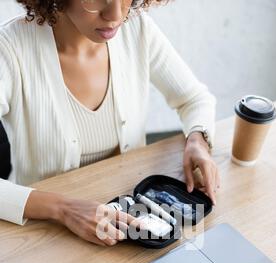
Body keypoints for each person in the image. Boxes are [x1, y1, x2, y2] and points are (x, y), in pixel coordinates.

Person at [0, 0, 220, 246]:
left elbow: (194, 98)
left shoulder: (137, 30)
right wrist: (63, 209)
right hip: (46, 234)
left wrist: (198, 140)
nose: (116, 15)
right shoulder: (9, 49)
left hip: (134, 225)